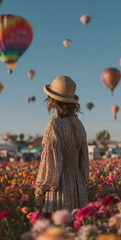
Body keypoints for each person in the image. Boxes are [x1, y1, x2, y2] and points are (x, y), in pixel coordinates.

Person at [34, 76, 89, 215]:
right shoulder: (79, 124)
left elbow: (51, 162)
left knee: (59, 228)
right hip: (78, 182)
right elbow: (84, 159)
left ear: (53, 100)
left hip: (60, 183)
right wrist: (82, 182)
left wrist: (40, 189)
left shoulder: (55, 123)